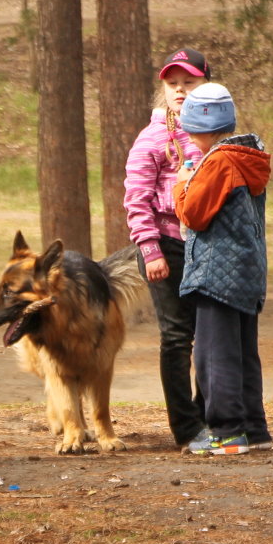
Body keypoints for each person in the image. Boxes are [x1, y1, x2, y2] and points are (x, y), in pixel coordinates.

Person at [172, 83, 272, 455]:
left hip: (216, 272)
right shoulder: (246, 155)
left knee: (213, 354)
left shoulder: (218, 162)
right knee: (242, 349)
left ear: (197, 125)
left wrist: (181, 185)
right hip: (246, 269)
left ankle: (228, 432)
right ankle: (253, 429)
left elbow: (194, 214)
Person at [122, 47, 210, 449]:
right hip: (166, 247)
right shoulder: (154, 136)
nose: (179, 90)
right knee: (177, 336)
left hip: (208, 246)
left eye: (189, 83)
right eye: (173, 84)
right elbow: (136, 198)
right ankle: (187, 428)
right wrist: (151, 250)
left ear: (206, 85)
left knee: (211, 333)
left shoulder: (215, 134)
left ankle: (211, 416)